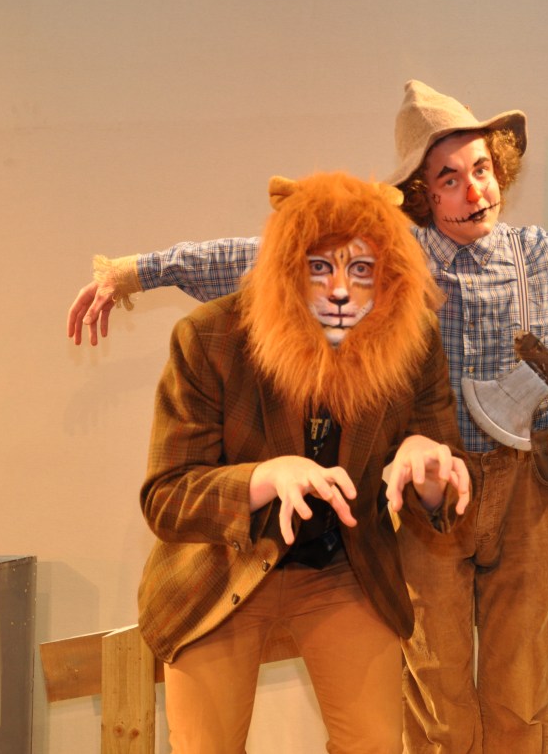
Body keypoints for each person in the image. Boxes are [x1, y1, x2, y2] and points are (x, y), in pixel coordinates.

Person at [67, 80, 548, 754]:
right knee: (437, 695)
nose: (473, 191)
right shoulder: (372, 259)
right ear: (422, 193)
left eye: (482, 169)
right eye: (449, 178)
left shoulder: (527, 262)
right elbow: (242, 258)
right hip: (344, 523)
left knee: (520, 688)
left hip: (507, 486)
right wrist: (133, 273)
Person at [136, 171, 471, 754]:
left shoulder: (411, 340)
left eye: (361, 268)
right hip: (221, 566)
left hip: (342, 567)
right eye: (319, 266)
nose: (340, 290)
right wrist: (264, 477)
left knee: (374, 745)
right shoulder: (208, 337)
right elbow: (165, 498)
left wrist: (431, 473)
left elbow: (443, 478)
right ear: (287, 268)